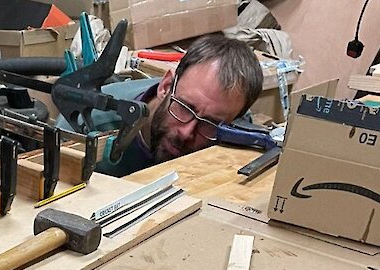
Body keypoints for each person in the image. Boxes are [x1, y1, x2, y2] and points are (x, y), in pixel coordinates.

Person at [81, 33, 264, 177]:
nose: (186, 133)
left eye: (209, 124)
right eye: (184, 107)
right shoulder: (87, 125)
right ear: (166, 86)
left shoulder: (232, 127)